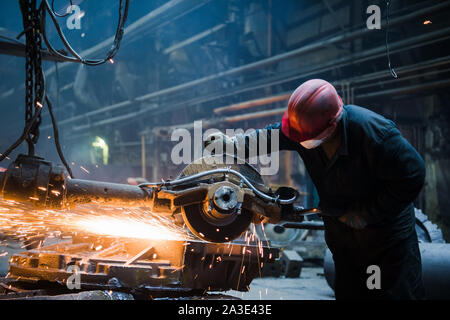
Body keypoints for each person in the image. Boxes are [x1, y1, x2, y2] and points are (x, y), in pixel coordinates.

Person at [206, 79, 426, 299]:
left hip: (384, 242)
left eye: (306, 137)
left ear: (333, 125)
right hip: (344, 239)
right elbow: (270, 137)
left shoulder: (375, 135)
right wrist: (232, 145)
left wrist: (367, 213)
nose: (301, 141)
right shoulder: (307, 129)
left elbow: (413, 176)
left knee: (388, 294)